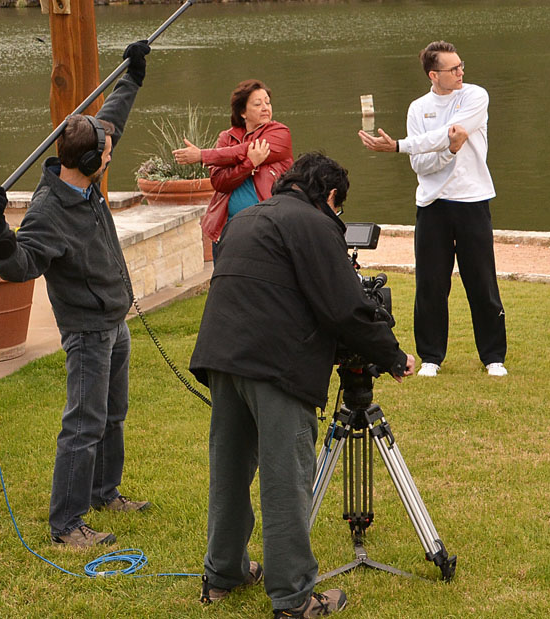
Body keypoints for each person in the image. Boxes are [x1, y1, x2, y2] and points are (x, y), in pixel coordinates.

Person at [189, 152, 415, 617]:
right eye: (341, 207)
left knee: (229, 471)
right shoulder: (315, 225)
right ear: (330, 197)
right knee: (285, 480)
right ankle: (293, 599)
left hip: (222, 356)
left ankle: (223, 574)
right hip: (276, 366)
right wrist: (392, 356)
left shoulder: (247, 218)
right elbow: (345, 309)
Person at [0, 41, 153, 547]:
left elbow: (111, 118)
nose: (112, 154)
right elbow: (18, 266)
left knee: (112, 416)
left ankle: (105, 491)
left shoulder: (86, 166)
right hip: (88, 330)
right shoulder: (48, 213)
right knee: (83, 425)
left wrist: (133, 76)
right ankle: (66, 524)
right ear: (90, 160)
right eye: (108, 154)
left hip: (115, 321)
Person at [357, 40, 507, 378]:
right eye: (453, 69)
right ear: (433, 74)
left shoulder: (474, 96)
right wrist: (450, 152)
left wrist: (399, 145)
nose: (460, 72)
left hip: (473, 201)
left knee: (481, 282)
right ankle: (431, 358)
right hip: (432, 205)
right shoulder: (417, 108)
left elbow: (445, 134)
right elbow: (422, 165)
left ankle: (493, 356)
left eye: (461, 66)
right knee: (431, 284)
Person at [172, 79, 293, 262]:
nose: (265, 108)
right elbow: (219, 182)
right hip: (227, 228)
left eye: (267, 102)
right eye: (258, 104)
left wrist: (203, 155)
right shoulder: (226, 138)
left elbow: (243, 150)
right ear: (243, 112)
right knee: (226, 284)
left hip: (267, 228)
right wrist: (248, 165)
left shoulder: (279, 133)